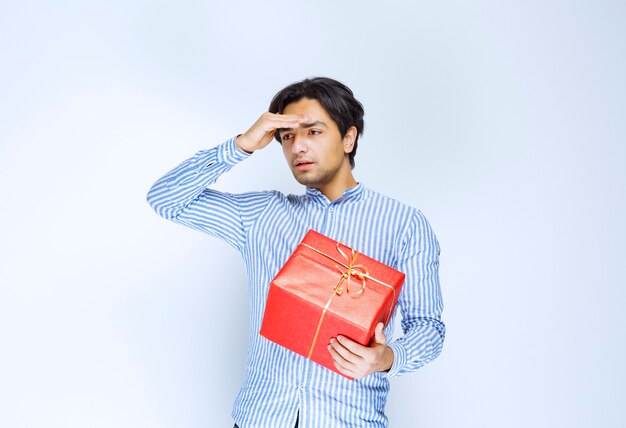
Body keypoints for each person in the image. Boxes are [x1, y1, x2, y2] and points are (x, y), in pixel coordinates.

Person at [146, 76, 445, 428]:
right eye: (287, 137)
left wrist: (388, 357)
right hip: (261, 418)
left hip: (349, 420)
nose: (297, 147)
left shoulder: (404, 224)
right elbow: (165, 199)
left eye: (313, 132)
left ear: (348, 138)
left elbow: (428, 327)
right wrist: (240, 146)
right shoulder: (262, 216)